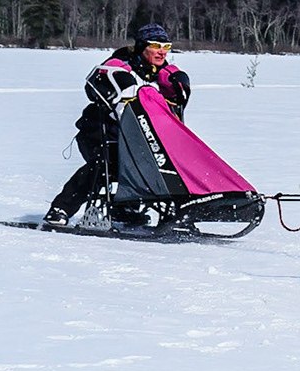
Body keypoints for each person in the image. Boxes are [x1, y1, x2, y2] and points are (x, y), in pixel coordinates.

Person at [44, 24, 192, 226]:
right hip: (100, 132)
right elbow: (96, 82)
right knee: (106, 164)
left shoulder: (163, 74)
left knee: (163, 167)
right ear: (141, 46)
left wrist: (179, 86)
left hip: (139, 138)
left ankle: (128, 208)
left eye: (166, 46)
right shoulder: (120, 63)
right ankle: (61, 208)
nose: (162, 51)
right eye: (156, 45)